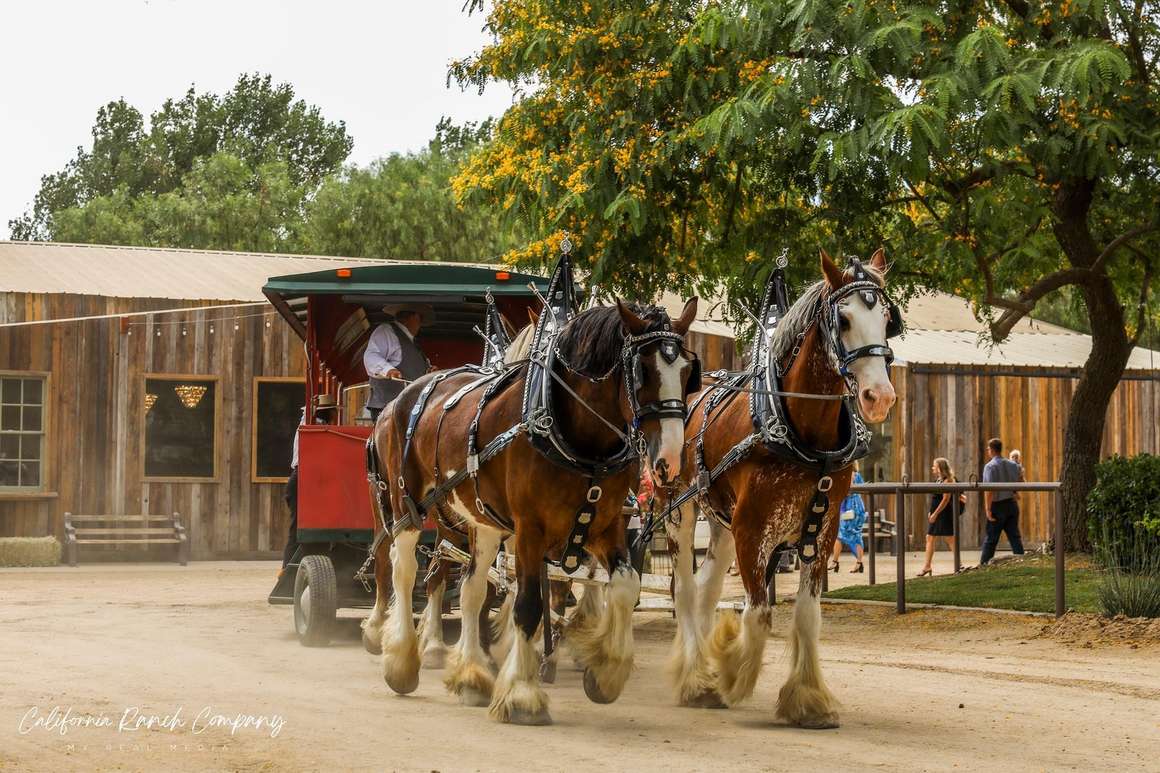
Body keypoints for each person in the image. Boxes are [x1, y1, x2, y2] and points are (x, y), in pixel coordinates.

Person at [281, 394, 338, 570]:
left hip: (308, 479)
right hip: (303, 479)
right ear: (330, 412)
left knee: (305, 528)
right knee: (298, 529)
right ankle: (287, 573)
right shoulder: (311, 426)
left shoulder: (321, 426)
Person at [363, 304, 432, 422]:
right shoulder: (386, 331)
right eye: (420, 320)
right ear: (414, 317)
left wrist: (428, 371)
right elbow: (371, 356)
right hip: (389, 407)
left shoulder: (413, 344)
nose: (419, 325)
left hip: (409, 407)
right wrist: (388, 370)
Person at [980, 437, 1025, 565]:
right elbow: (1021, 481)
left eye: (988, 448)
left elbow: (989, 490)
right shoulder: (1013, 465)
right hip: (1011, 504)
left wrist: (988, 509)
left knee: (991, 538)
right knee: (1014, 537)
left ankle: (983, 565)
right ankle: (1022, 562)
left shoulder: (990, 467)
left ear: (992, 450)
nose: (988, 450)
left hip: (997, 506)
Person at [918, 457, 962, 577]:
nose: (933, 468)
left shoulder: (949, 480)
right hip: (937, 513)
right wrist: (930, 512)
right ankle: (928, 566)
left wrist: (935, 514)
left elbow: (946, 499)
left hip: (944, 514)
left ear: (940, 468)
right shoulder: (939, 480)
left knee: (948, 539)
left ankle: (959, 564)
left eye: (934, 466)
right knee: (932, 538)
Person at [830, 463, 867, 574]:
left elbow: (847, 490)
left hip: (851, 508)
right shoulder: (858, 475)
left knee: (843, 534)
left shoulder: (850, 474)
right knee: (851, 534)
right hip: (857, 507)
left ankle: (837, 562)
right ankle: (857, 563)